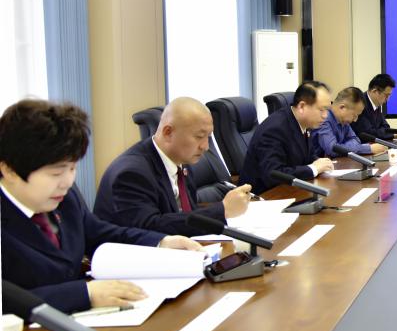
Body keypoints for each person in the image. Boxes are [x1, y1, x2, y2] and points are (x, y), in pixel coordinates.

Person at [0, 100, 202, 314]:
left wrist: (161, 242)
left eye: (72, 168)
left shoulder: (64, 199)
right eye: (56, 173)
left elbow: (100, 234)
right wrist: (83, 294)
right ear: (9, 170)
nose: (67, 182)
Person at [94, 97, 252, 235]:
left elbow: (185, 212)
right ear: (168, 132)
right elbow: (150, 228)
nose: (205, 147)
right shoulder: (132, 173)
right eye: (199, 136)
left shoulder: (181, 161)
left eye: (208, 137)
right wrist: (222, 210)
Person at [240, 81, 336, 194]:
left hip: (290, 190)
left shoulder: (304, 122)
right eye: (321, 110)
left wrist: (318, 161)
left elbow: (306, 156)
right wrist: (313, 169)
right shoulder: (275, 129)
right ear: (302, 106)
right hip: (263, 196)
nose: (325, 116)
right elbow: (273, 174)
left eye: (327, 110)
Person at [313, 87, 387, 158]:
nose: (355, 120)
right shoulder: (323, 119)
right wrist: (367, 148)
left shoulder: (344, 121)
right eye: (354, 115)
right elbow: (333, 149)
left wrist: (344, 146)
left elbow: (355, 140)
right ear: (342, 107)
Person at [351, 73, 397, 141]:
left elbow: (386, 127)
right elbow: (369, 132)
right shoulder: (360, 104)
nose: (387, 99)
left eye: (389, 95)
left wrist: (379, 131)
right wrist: (393, 135)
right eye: (386, 95)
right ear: (375, 91)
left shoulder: (377, 103)